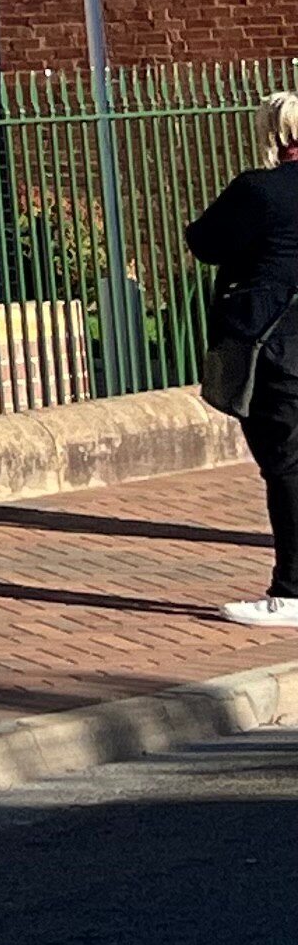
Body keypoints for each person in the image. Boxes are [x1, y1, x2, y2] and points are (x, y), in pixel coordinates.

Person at [184, 90, 298, 627]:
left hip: (276, 349)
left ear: (276, 134)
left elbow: (204, 242)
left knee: (286, 466)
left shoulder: (259, 190)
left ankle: (291, 592)